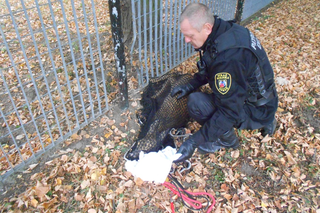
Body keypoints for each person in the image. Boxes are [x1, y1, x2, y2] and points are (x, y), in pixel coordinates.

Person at [171, 3, 278, 163]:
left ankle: (227, 141)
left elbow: (229, 111)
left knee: (197, 103)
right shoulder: (226, 31)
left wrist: (194, 141)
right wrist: (191, 84)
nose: (187, 40)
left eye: (191, 36)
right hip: (267, 99)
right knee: (209, 95)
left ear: (207, 27)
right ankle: (268, 119)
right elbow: (211, 64)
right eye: (185, 35)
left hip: (257, 109)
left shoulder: (228, 59)